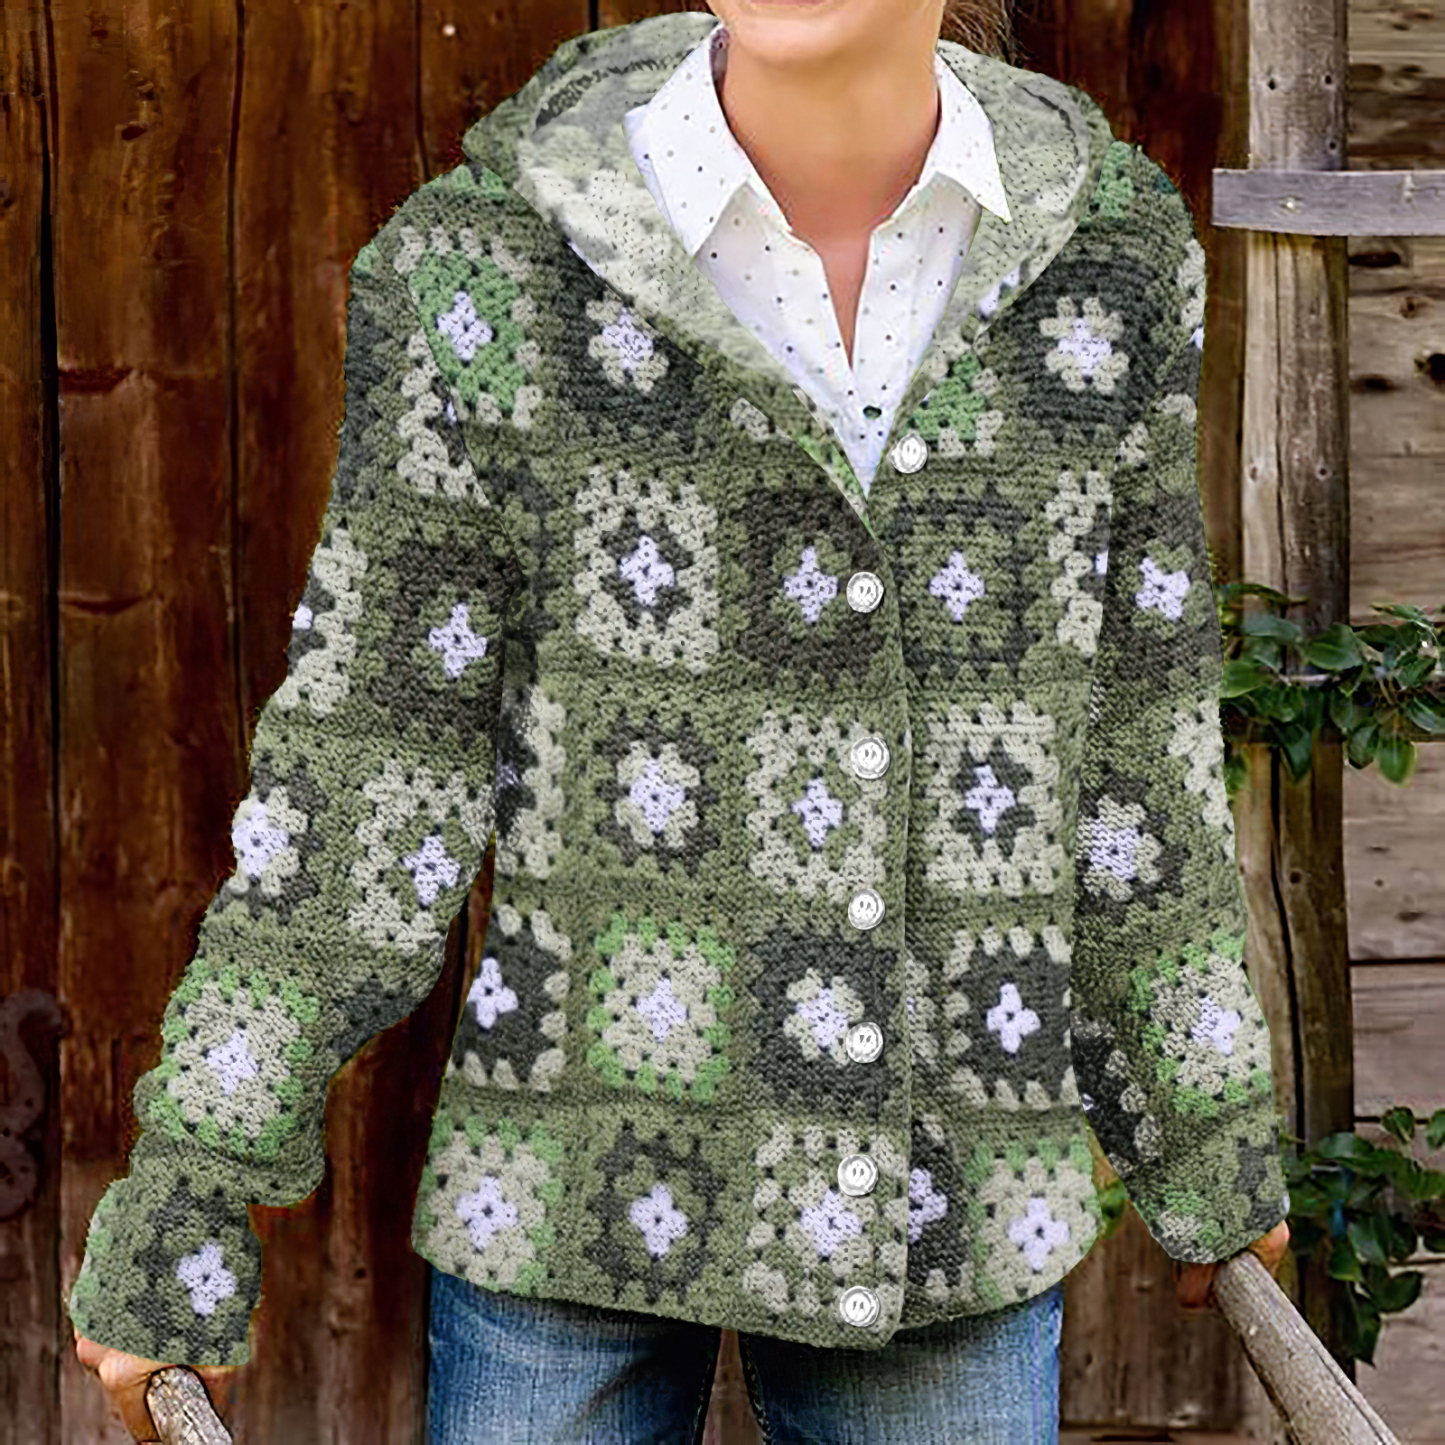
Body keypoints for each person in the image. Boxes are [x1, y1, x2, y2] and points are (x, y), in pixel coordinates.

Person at [71, 1, 1291, 1441]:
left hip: (946, 1198)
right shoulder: (492, 263)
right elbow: (372, 769)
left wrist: (1204, 1125)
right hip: (567, 1178)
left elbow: (1134, 750)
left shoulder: (1108, 258)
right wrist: (194, 1178)